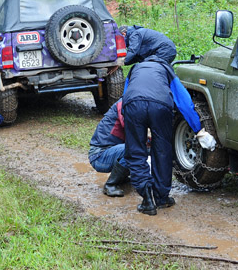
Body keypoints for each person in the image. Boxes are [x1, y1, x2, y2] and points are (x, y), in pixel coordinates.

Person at [122, 55, 213, 215]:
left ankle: (147, 199)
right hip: (161, 105)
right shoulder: (166, 70)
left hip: (133, 104)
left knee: (136, 152)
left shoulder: (135, 69)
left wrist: (132, 124)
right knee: (163, 150)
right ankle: (161, 198)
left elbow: (125, 96)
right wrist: (198, 129)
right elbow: (184, 101)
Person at [88, 99, 130, 197]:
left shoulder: (129, 101)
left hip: (109, 151)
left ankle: (121, 177)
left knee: (139, 148)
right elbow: (132, 128)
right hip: (99, 156)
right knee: (133, 149)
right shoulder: (124, 103)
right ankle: (110, 185)